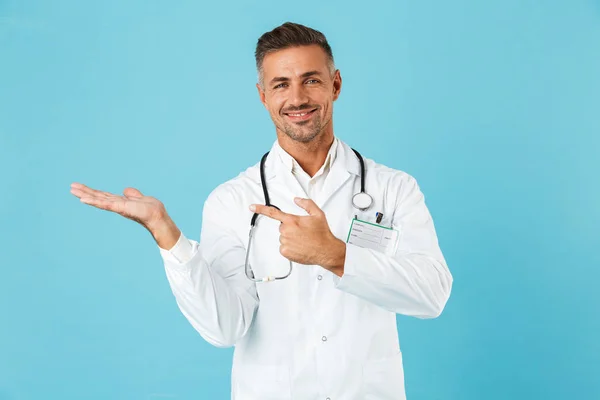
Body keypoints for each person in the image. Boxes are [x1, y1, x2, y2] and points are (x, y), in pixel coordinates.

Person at [70, 22, 453, 400]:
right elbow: (224, 328)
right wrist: (165, 233)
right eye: (281, 84)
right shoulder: (233, 200)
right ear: (262, 95)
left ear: (335, 85)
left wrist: (335, 255)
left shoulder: (393, 188)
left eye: (311, 80)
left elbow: (432, 296)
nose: (297, 98)